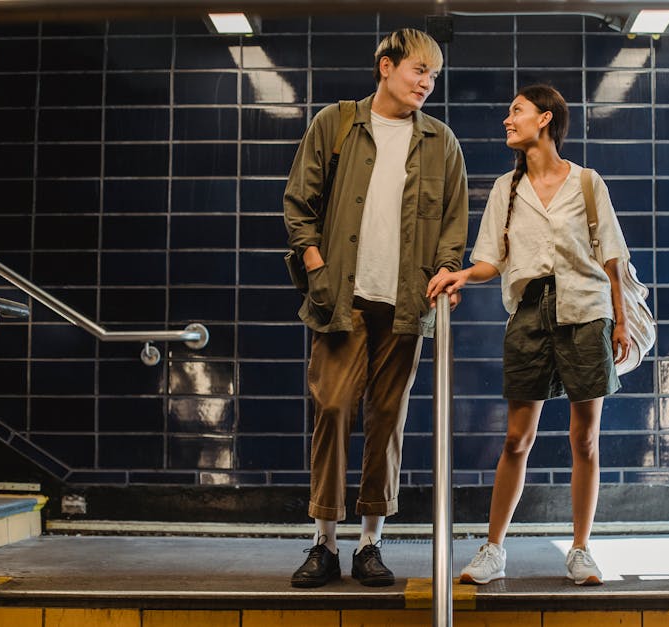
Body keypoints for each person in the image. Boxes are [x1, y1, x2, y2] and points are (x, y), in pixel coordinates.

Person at [283, 28, 468, 588]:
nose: (427, 83)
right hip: (343, 298)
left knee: (387, 419)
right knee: (333, 409)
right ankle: (324, 541)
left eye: (434, 75)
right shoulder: (336, 123)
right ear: (386, 66)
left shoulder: (440, 141)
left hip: (407, 304)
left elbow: (453, 224)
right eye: (419, 70)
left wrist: (446, 270)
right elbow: (299, 203)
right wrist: (315, 264)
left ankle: (370, 542)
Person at [427, 84, 630, 586]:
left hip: (587, 312)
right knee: (517, 438)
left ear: (544, 119)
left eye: (516, 110)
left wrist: (621, 320)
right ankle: (494, 549)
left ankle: (581, 549)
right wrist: (461, 276)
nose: (507, 119)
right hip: (529, 314)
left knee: (585, 439)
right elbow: (490, 260)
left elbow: (612, 258)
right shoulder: (506, 188)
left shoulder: (587, 183)